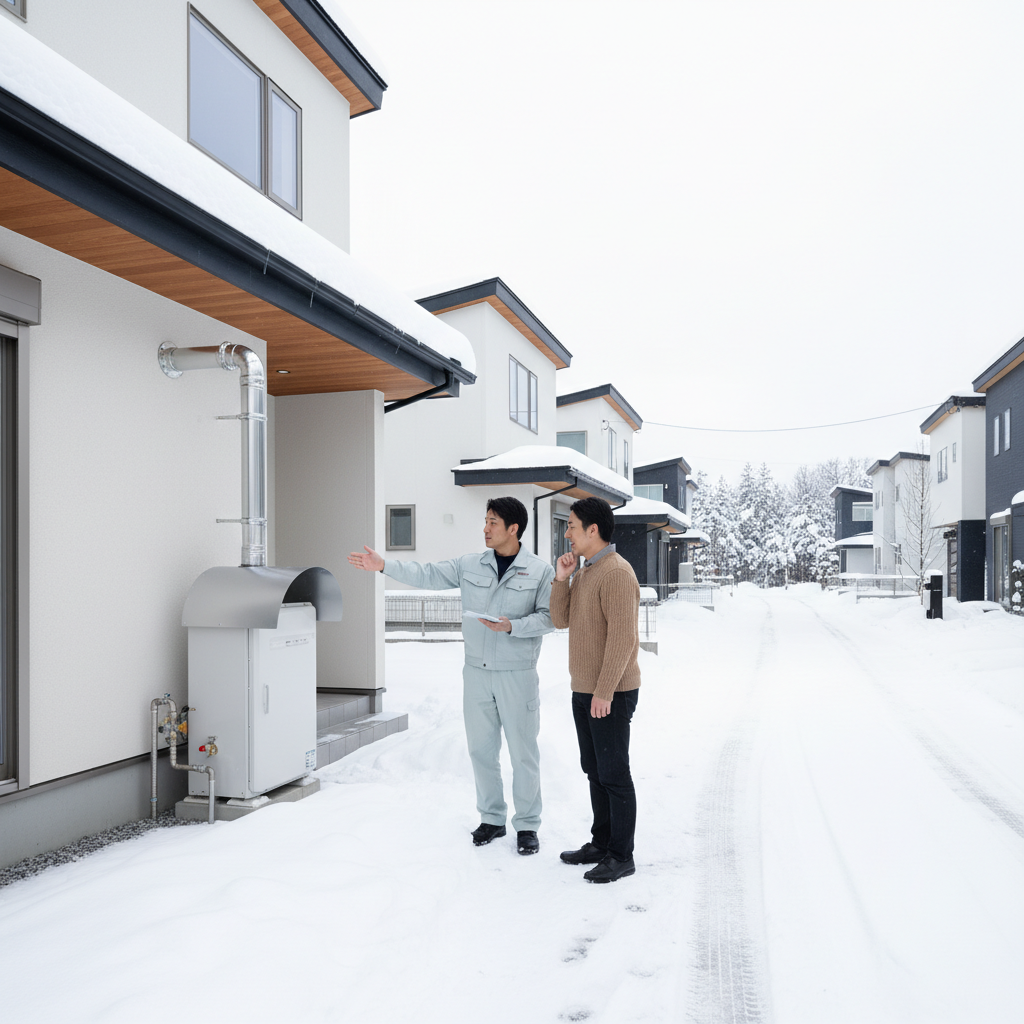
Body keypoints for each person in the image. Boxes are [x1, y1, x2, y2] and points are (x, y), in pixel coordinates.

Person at [348, 496, 554, 855]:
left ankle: (527, 826)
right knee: (481, 750)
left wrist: (512, 626)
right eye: (485, 520)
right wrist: (384, 566)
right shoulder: (469, 564)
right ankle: (492, 818)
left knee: (523, 753)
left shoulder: (539, 571)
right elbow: (427, 573)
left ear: (513, 529)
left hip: (517, 674)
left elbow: (549, 617)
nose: (485, 528)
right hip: (476, 673)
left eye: (493, 522)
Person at [550, 496, 641, 883]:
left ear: (592, 529)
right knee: (595, 770)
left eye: (571, 525)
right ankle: (601, 843)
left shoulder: (617, 573)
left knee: (614, 773)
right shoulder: (586, 572)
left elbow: (623, 639)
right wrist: (561, 579)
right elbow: (559, 619)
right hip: (585, 690)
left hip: (611, 692)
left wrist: (604, 692)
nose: (566, 533)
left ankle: (621, 855)